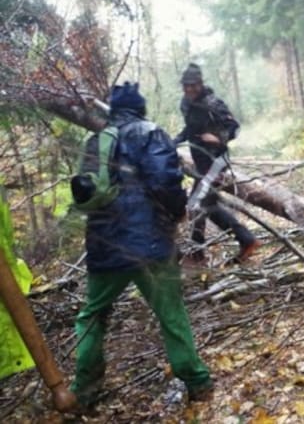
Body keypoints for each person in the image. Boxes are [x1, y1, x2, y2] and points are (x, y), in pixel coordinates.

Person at [70, 82, 213, 407]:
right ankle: (197, 382)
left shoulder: (95, 141)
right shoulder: (150, 133)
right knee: (171, 313)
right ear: (139, 107)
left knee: (91, 316)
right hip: (150, 245)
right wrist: (178, 213)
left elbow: (85, 195)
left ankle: (85, 389)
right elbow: (165, 180)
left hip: (104, 246)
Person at [174, 63, 259, 264]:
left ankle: (198, 253)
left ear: (201, 84)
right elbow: (190, 129)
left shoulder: (213, 103)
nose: (189, 90)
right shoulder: (185, 104)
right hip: (200, 164)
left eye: (193, 85)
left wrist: (219, 138)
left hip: (216, 162)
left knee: (196, 205)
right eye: (186, 86)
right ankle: (245, 240)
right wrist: (172, 141)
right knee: (206, 206)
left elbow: (234, 128)